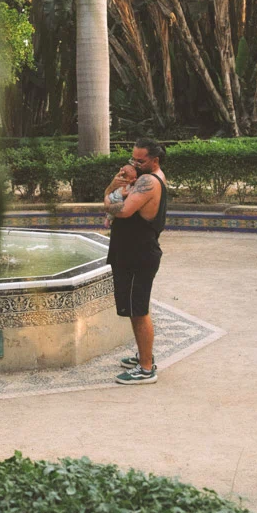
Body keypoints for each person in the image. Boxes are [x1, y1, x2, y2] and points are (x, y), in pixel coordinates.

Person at [104, 138, 167, 385]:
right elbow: (112, 198)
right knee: (133, 309)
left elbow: (123, 210)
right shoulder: (143, 179)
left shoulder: (149, 181)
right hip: (131, 253)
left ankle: (146, 368)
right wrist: (111, 193)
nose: (135, 164)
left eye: (140, 161)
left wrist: (108, 200)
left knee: (139, 311)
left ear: (155, 160)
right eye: (133, 159)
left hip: (138, 255)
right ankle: (144, 355)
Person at [104, 163, 139, 228]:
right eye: (132, 178)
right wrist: (130, 191)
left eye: (135, 177)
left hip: (112, 197)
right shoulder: (124, 184)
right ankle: (108, 220)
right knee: (112, 212)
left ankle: (108, 219)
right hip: (115, 199)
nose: (135, 180)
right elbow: (123, 193)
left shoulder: (125, 181)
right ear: (125, 178)